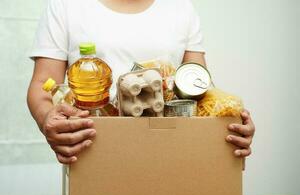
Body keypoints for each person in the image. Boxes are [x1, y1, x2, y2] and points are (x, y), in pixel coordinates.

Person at [27, 0, 255, 164]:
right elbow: (43, 84)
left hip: (170, 152)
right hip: (95, 148)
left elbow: (200, 86)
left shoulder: (180, 7)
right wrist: (47, 117)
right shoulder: (66, 5)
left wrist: (230, 121)